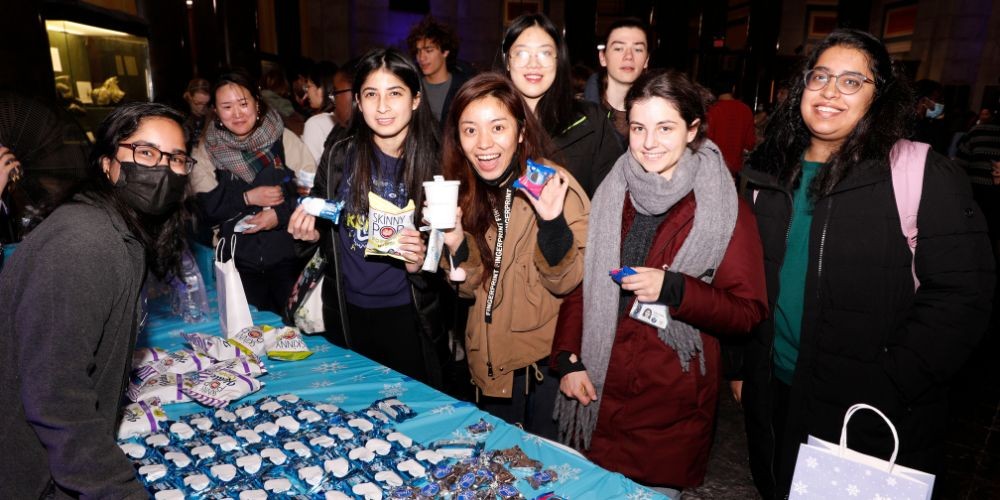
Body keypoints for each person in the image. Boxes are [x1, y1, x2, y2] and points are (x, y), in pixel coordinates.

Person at [739, 29, 995, 499]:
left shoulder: (919, 173)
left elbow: (962, 294)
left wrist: (894, 381)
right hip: (777, 390)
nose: (831, 91)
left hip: (871, 405)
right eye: (820, 77)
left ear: (881, 96)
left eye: (852, 81)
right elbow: (748, 279)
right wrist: (746, 368)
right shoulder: (770, 172)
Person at [551, 70, 767, 495]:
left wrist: (677, 289)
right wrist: (569, 358)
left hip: (669, 404)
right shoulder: (614, 190)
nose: (649, 142)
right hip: (598, 388)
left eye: (665, 127)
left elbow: (748, 312)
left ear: (692, 129)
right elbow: (587, 280)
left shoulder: (725, 207)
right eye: (638, 127)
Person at [0, 101, 191, 498]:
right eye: (146, 152)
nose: (162, 169)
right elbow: (56, 396)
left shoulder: (118, 231)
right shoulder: (83, 243)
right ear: (107, 164)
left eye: (175, 158)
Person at [440, 72, 590, 439]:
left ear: (521, 131)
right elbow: (467, 288)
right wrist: (457, 242)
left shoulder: (553, 187)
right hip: (487, 369)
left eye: (498, 127)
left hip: (539, 375)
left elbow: (568, 281)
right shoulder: (467, 191)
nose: (484, 144)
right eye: (470, 130)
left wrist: (553, 223)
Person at [287, 48, 444, 387]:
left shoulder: (437, 161)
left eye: (395, 93)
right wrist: (309, 234)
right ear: (358, 101)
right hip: (346, 310)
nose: (383, 106)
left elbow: (450, 256)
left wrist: (424, 262)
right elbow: (321, 221)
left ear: (416, 99)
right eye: (371, 94)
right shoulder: (341, 154)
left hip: (409, 314)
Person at [189, 69, 316, 318]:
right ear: (215, 110)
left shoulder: (283, 140)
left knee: (294, 337)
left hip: (288, 263)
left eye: (243, 104)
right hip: (235, 268)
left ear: (257, 104)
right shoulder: (206, 151)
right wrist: (247, 198)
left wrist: (278, 215)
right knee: (245, 340)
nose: (237, 114)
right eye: (227, 106)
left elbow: (311, 193)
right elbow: (204, 209)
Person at [499, 13, 623, 198]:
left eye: (545, 53)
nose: (534, 64)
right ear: (508, 61)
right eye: (522, 53)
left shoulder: (590, 122)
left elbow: (613, 200)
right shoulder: (488, 124)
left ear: (559, 60)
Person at [583, 18, 652, 141]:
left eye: (637, 49)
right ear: (602, 57)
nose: (628, 56)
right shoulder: (577, 113)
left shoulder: (658, 113)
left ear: (646, 60)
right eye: (619, 48)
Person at [406, 16, 470, 126]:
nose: (421, 57)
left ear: (445, 52)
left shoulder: (464, 88)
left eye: (429, 51)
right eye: (418, 51)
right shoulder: (412, 87)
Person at [705, 72, 756, 175]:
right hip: (735, 170)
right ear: (733, 88)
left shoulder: (711, 110)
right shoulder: (745, 110)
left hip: (713, 169)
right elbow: (750, 144)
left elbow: (705, 142)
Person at [301, 61, 340, 162]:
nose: (306, 93)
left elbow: (310, 169)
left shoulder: (315, 123)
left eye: (308, 86)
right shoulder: (345, 119)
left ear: (322, 88)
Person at [182, 77, 213, 152]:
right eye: (198, 103)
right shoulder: (181, 115)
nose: (202, 107)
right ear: (189, 96)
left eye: (205, 103)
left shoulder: (212, 114)